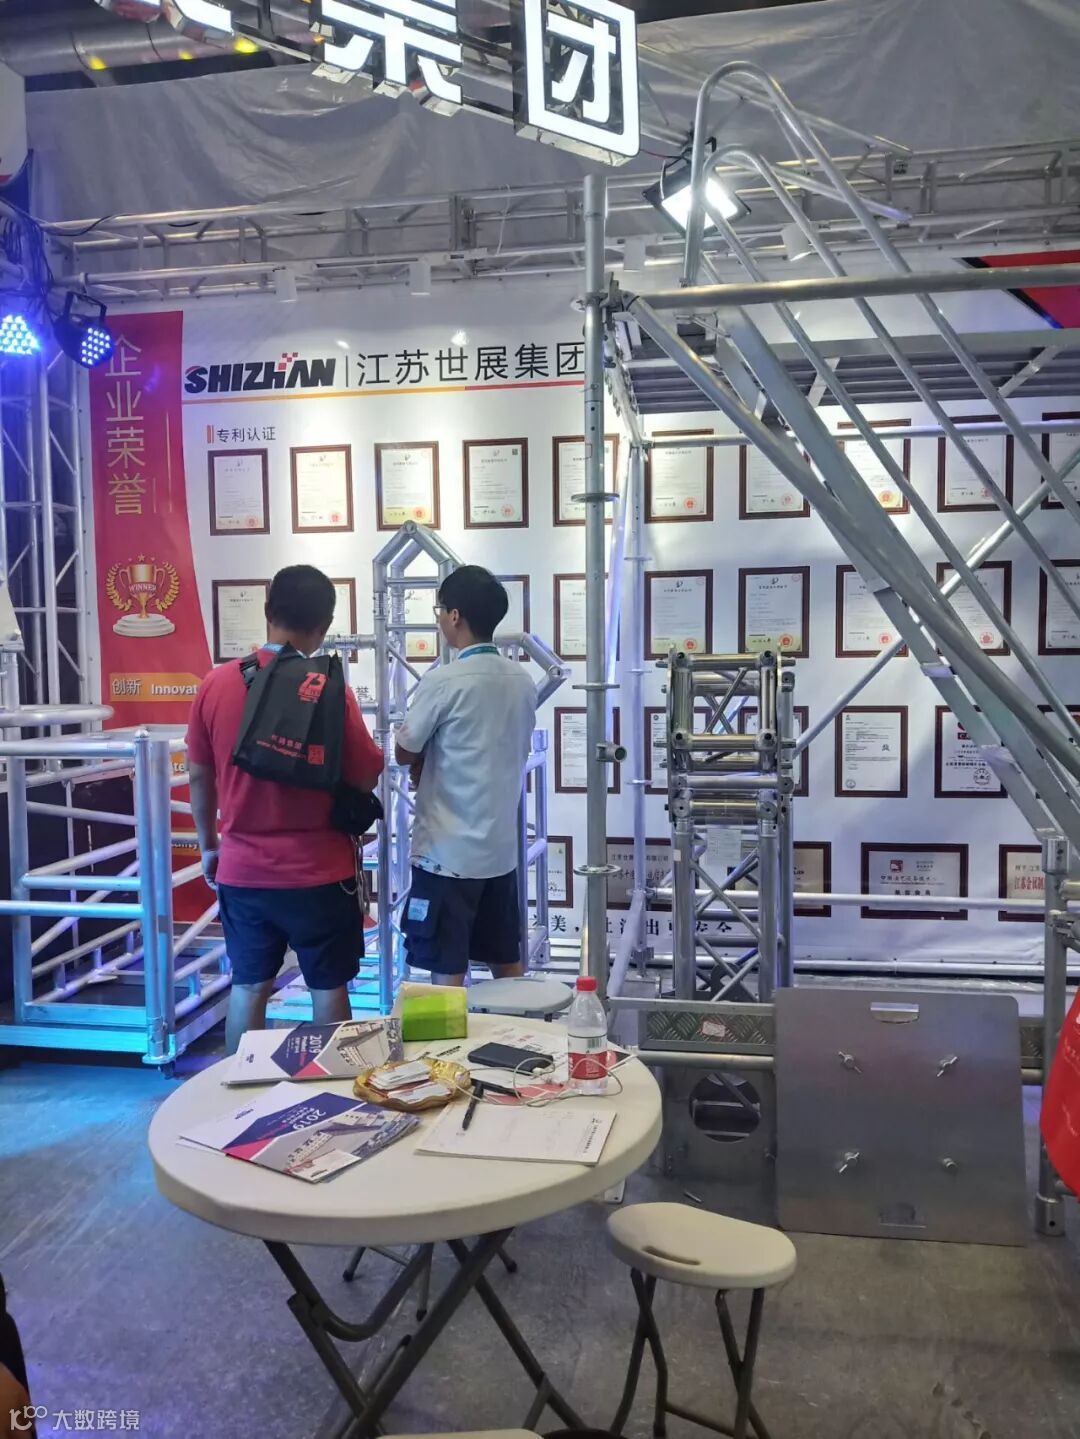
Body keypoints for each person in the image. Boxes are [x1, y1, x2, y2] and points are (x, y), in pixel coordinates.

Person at [187, 565, 384, 1051]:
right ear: (325, 624)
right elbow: (366, 773)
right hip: (320, 872)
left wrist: (209, 846)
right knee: (327, 986)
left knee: (249, 986)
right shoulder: (329, 689)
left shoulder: (216, 684)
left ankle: (238, 1085)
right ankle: (328, 1086)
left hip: (243, 868)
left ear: (267, 609)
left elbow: (198, 774)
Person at [395, 566, 538, 986]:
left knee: (446, 975)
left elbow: (404, 750)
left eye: (440, 610)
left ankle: (452, 1035)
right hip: (499, 855)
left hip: (447, 856)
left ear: (454, 615)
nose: (440, 619)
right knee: (506, 965)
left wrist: (422, 757)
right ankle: (520, 1027)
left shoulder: (443, 681)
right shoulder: (522, 681)